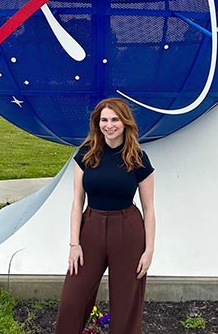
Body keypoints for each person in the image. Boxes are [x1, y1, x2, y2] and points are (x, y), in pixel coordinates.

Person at [55, 97, 156, 334]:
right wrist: (74, 244)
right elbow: (77, 201)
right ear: (97, 123)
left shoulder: (138, 158)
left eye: (115, 119)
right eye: (104, 120)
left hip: (128, 230)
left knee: (125, 306)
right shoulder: (86, 155)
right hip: (90, 229)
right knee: (72, 302)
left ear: (125, 123)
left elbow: (149, 207)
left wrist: (149, 249)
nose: (109, 125)